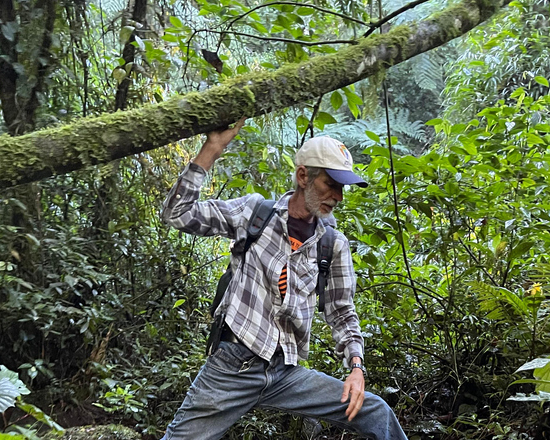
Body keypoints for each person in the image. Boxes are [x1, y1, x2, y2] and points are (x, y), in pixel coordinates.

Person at [160, 118, 407, 440]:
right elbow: (177, 214)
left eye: (341, 188)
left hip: (285, 372)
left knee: (376, 413)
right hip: (233, 365)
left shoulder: (332, 244)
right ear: (303, 176)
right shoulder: (254, 214)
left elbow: (342, 311)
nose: (338, 196)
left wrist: (356, 368)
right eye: (330, 184)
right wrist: (213, 148)